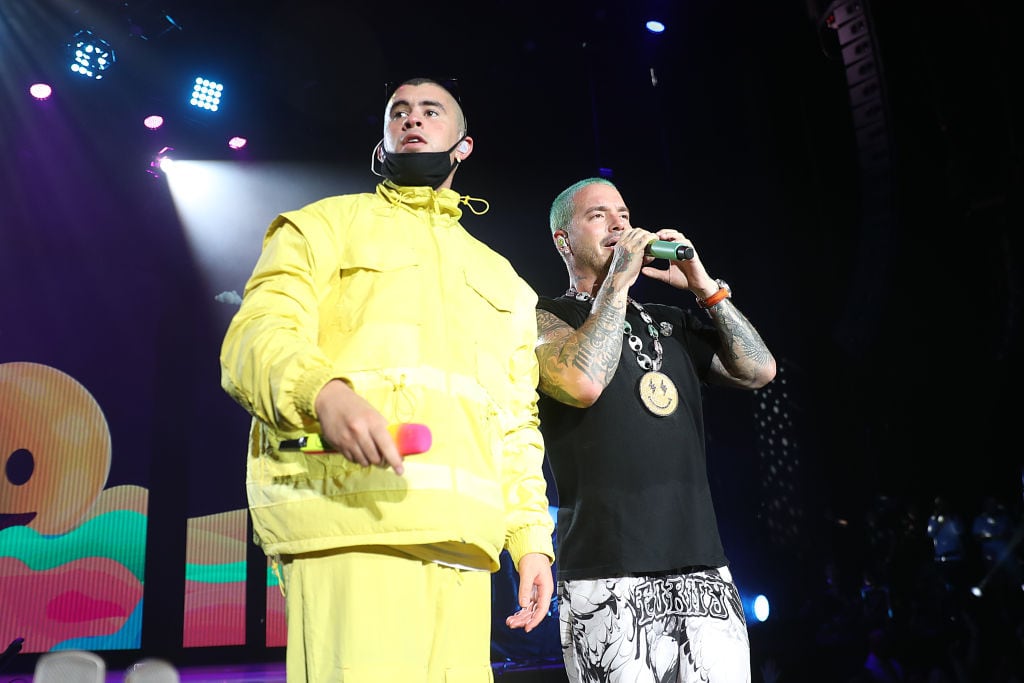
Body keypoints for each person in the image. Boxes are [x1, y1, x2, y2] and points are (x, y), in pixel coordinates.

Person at [220, 77, 555, 683]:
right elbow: (253, 339)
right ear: (381, 139)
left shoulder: (502, 279)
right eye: (398, 111)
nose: (412, 119)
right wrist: (320, 392)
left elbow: (515, 420)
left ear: (464, 145)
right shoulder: (322, 226)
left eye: (431, 111)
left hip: (462, 543)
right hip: (351, 523)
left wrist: (530, 538)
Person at [532, 177, 777, 682]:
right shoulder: (545, 318)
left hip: (703, 570)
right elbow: (581, 382)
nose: (620, 223)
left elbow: (760, 371)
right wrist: (619, 282)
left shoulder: (670, 320)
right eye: (598, 215)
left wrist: (705, 288)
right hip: (608, 573)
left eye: (623, 213)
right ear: (564, 240)